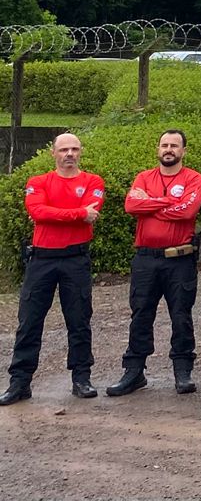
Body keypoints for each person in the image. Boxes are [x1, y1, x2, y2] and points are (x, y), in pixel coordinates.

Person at [2, 133, 104, 405]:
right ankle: (19, 383)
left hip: (76, 259)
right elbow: (39, 213)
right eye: (63, 150)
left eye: (74, 149)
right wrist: (78, 214)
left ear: (80, 152)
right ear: (53, 153)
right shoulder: (38, 182)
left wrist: (65, 213)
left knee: (79, 320)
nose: (69, 154)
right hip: (42, 260)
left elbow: (81, 212)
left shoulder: (93, 182)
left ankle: (81, 378)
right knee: (29, 322)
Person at [110, 129, 201, 397]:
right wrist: (167, 202)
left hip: (180, 259)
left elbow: (188, 209)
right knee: (140, 315)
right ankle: (134, 372)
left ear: (183, 151)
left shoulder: (194, 179)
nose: (169, 150)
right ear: (157, 149)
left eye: (174, 146)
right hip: (146, 259)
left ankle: (183, 371)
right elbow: (131, 206)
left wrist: (150, 204)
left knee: (181, 315)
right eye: (164, 145)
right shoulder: (144, 177)